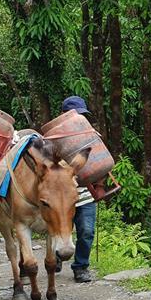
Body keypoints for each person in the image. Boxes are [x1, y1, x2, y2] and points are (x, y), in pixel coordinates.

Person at [60, 96, 97, 283]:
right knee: (57, 231)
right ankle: (57, 255)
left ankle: (81, 267)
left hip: (85, 194)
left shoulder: (92, 136)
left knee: (87, 231)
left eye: (82, 116)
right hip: (61, 197)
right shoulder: (53, 140)